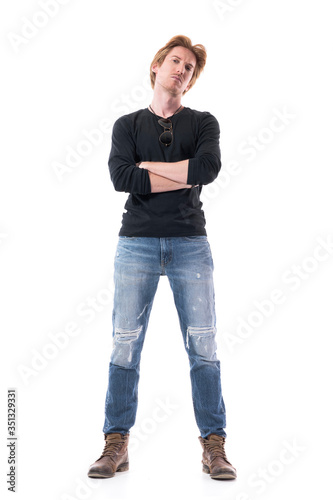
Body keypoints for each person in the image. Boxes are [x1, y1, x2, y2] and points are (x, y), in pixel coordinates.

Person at [87, 35, 237, 481]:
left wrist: (148, 169)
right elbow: (120, 177)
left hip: (191, 243)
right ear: (156, 66)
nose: (182, 70)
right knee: (125, 344)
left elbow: (207, 170)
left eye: (189, 68)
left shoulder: (204, 122)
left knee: (204, 346)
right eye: (176, 61)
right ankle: (116, 443)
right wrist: (180, 173)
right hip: (136, 244)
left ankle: (215, 445)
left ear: (190, 81)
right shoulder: (127, 124)